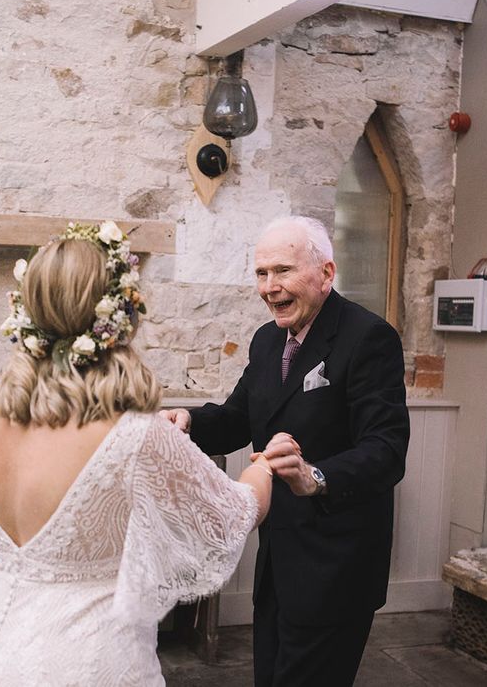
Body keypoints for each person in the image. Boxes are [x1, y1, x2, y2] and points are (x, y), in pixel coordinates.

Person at [0, 221, 273, 686]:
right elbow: (228, 518)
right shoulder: (132, 433)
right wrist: (263, 471)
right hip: (82, 660)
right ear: (119, 315)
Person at [161, 216, 410, 686]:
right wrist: (189, 421)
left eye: (283, 271)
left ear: (326, 273)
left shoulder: (368, 338)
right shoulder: (266, 338)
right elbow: (239, 418)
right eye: (261, 273)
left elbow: (387, 450)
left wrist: (313, 476)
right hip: (279, 558)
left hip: (338, 563)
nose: (269, 287)